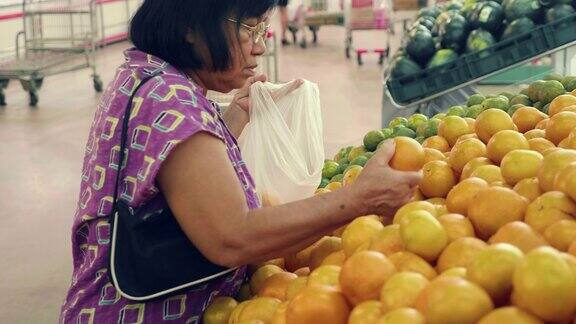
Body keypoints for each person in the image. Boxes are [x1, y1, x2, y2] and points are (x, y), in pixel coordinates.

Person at [59, 0, 421, 322]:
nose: (261, 46)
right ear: (190, 25)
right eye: (250, 28)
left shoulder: (148, 76)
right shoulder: (167, 98)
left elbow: (173, 177)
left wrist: (232, 120)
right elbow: (233, 237)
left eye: (263, 29)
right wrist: (356, 200)